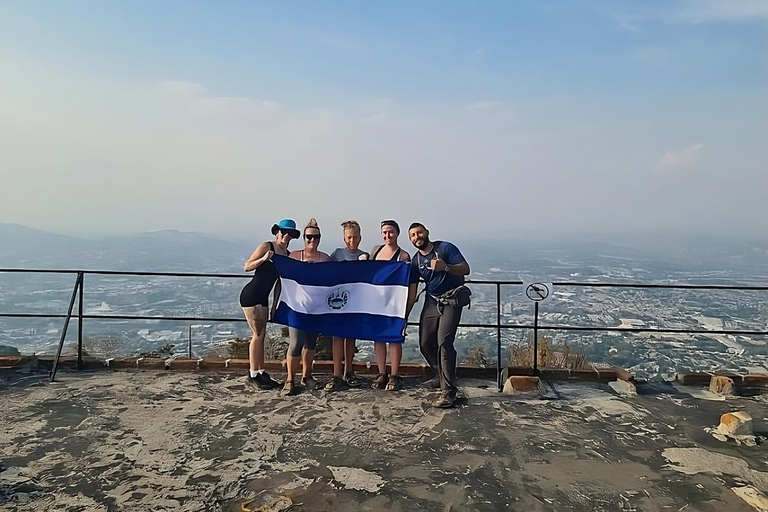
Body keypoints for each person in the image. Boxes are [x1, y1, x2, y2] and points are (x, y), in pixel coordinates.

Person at [405, 222, 471, 408]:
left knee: (444, 342)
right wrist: (404, 318)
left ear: (427, 233)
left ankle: (448, 391)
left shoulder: (445, 248)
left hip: (452, 300)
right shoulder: (416, 261)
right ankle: (442, 375)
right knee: (425, 342)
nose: (416, 237)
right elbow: (412, 292)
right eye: (412, 235)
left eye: (419, 233)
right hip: (432, 301)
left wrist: (446, 267)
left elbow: (465, 269)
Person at [240, 219, 299, 390]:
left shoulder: (286, 254)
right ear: (277, 232)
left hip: (264, 297)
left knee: (262, 335)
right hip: (252, 294)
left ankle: (260, 372)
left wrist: (275, 305)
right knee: (257, 334)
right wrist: (264, 259)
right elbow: (247, 266)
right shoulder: (267, 246)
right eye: (284, 232)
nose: (286, 236)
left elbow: (280, 283)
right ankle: (253, 374)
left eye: (290, 234)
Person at [283, 218, 331, 396]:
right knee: (295, 343)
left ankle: (307, 376)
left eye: (315, 237)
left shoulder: (325, 259)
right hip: (296, 308)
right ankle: (290, 379)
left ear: (320, 238)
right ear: (303, 238)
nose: (312, 240)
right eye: (308, 237)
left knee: (310, 344)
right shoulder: (294, 256)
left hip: (315, 309)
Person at [325, 220, 370, 391]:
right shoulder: (337, 254)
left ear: (360, 237)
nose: (352, 241)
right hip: (338, 300)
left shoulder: (365, 255)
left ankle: (349, 371)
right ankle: (337, 373)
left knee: (351, 337)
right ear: (345, 239)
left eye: (355, 237)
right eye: (349, 238)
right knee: (337, 337)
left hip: (355, 301)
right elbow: (326, 273)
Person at [369, 220, 411, 391]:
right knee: (378, 338)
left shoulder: (403, 256)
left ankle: (394, 374)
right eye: (384, 232)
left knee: (394, 339)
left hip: (394, 303)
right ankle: (381, 372)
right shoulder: (376, 251)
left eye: (391, 232)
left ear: (397, 233)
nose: (387, 235)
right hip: (377, 301)